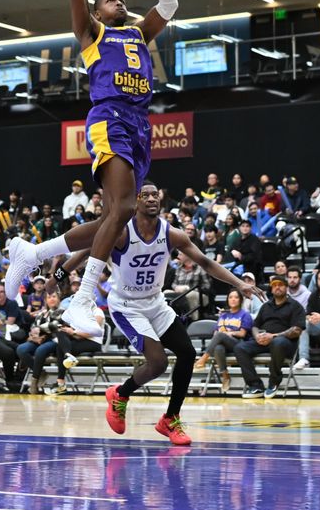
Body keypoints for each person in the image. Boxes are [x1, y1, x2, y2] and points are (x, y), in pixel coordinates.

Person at [5, 0, 180, 337]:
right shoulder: (92, 33)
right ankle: (82, 299)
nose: (117, 2)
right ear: (97, 11)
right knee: (121, 208)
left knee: (114, 218)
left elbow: (170, 2)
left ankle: (33, 253)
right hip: (110, 117)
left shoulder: (139, 33)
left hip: (141, 124)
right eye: (109, 0)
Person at [97, 182, 262, 446]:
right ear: (135, 201)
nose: (151, 199)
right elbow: (89, 246)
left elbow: (206, 263)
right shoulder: (121, 232)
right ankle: (121, 395)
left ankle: (170, 419)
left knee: (187, 353)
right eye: (145, 195)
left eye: (155, 194)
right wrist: (61, 272)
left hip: (155, 303)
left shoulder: (171, 234)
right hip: (127, 306)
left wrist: (239, 283)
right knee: (158, 363)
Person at [236, 275, 306, 399]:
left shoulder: (295, 306)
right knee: (240, 348)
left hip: (286, 344)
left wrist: (273, 336)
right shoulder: (266, 306)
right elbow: (255, 326)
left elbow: (297, 330)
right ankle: (255, 385)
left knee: (277, 342)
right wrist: (257, 336)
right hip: (264, 341)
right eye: (274, 285)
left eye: (280, 285)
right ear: (271, 289)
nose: (277, 287)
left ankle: (274, 381)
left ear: (286, 287)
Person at [194, 290, 253, 392]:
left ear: (240, 300)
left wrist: (230, 333)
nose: (233, 299)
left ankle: (202, 359)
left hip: (239, 345)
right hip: (223, 343)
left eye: (236, 297)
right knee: (218, 348)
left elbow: (242, 334)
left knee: (221, 335)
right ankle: (225, 377)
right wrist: (221, 335)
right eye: (230, 297)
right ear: (227, 300)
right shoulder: (223, 315)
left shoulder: (245, 314)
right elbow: (216, 333)